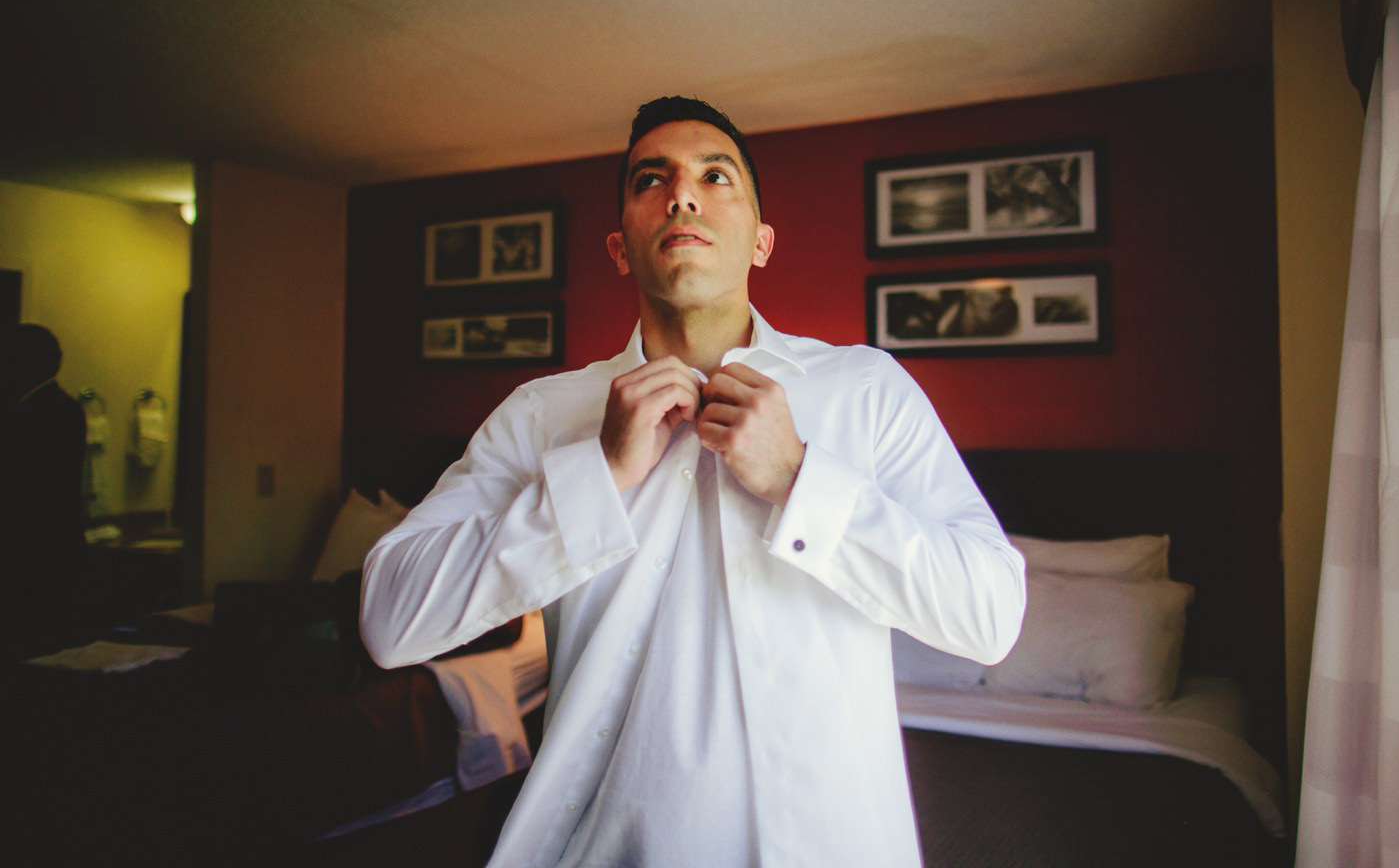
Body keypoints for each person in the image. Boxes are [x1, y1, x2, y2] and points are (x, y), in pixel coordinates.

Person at [360, 96, 1026, 868]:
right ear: (619, 247)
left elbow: (992, 616)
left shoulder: (867, 390)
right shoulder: (543, 415)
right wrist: (597, 475)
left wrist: (800, 480)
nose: (682, 194)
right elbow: (389, 617)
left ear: (762, 241)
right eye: (652, 180)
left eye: (716, 176)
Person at [0, 323, 87, 661]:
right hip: (44, 544)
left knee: (34, 642)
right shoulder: (48, 407)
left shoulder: (51, 411)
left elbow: (32, 485)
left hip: (38, 545)